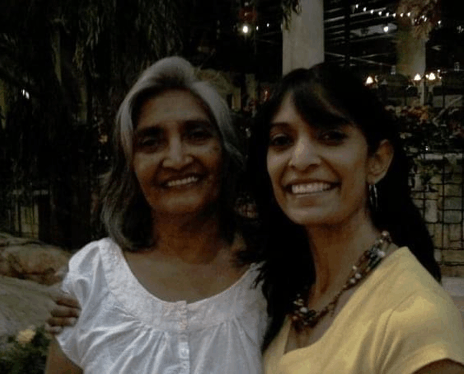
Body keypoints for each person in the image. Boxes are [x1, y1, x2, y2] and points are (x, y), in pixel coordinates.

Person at [44, 56, 267, 374]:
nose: (176, 158)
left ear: (226, 150)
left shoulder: (271, 277)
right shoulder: (92, 279)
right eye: (151, 142)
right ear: (131, 167)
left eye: (196, 134)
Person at [246, 63, 464, 374]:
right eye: (282, 140)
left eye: (331, 136)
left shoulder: (416, 320)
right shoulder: (290, 294)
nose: (301, 159)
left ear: (377, 161)